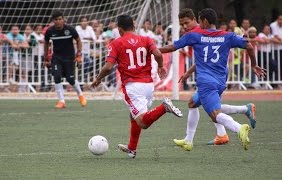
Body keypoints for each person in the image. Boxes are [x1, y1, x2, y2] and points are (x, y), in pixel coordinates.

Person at [160, 8, 266, 151]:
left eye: (196, 20)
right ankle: (188, 140)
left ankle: (239, 128)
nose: (185, 26)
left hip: (206, 82)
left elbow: (172, 47)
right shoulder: (227, 36)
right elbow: (248, 45)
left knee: (215, 115)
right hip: (220, 81)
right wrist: (254, 65)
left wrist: (153, 50)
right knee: (192, 103)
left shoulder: (194, 35)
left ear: (203, 21)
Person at [91, 14, 183, 158]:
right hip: (148, 85)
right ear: (134, 26)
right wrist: (160, 67)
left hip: (132, 86)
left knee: (142, 122)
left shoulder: (116, 43)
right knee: (133, 115)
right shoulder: (146, 39)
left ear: (120, 29)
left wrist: (98, 79)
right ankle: (132, 149)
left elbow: (108, 67)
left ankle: (164, 107)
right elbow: (158, 53)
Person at [44, 11, 87, 108]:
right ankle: (61, 101)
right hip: (57, 58)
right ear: (53, 21)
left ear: (63, 19)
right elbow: (46, 43)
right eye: (56, 19)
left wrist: (79, 54)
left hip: (69, 58)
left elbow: (78, 41)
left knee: (70, 79)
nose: (58, 21)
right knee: (57, 76)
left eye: (60, 19)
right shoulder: (50, 31)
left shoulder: (70, 29)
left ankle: (80, 95)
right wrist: (46, 58)